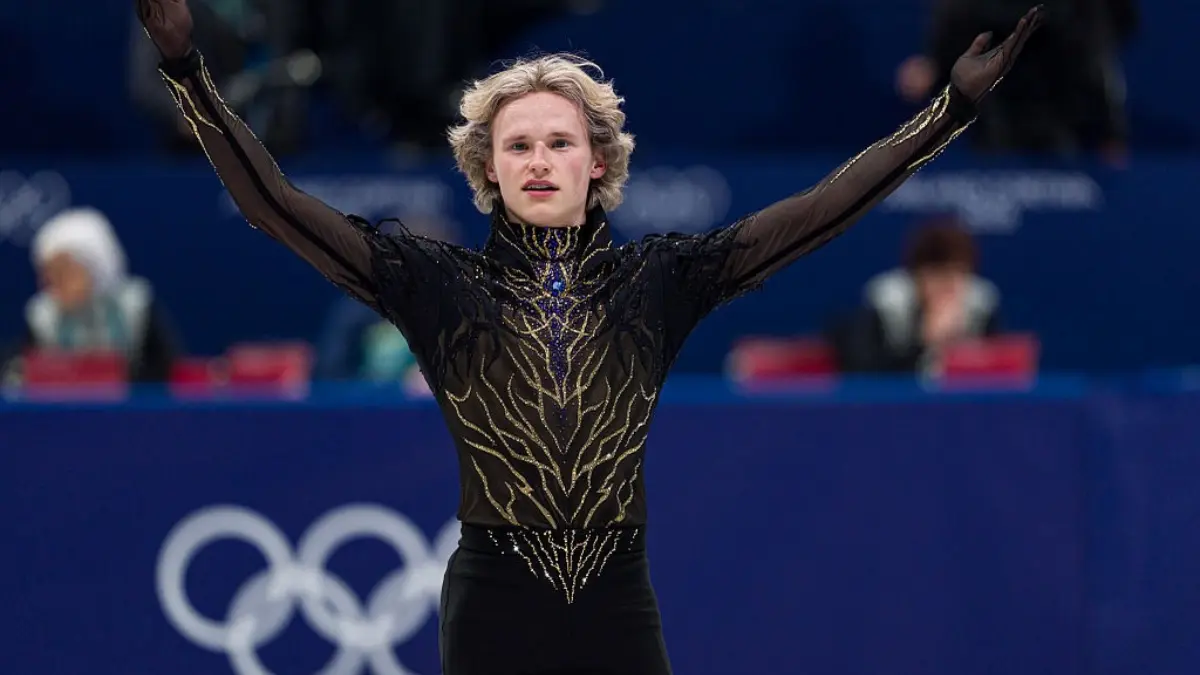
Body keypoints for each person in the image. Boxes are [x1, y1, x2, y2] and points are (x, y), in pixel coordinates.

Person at [136, 1, 1043, 672]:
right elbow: (275, 205)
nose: (538, 160)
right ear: (488, 168)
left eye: (558, 142)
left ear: (597, 159)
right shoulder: (433, 282)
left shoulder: (660, 279)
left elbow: (818, 213)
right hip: (494, 603)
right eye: (517, 145)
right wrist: (185, 69)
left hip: (616, 603)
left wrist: (948, 113)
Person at [1, 207, 179, 385]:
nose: (52, 283)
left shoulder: (135, 307)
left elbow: (166, 372)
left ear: (95, 266)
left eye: (64, 272)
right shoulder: (43, 316)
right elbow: (17, 369)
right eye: (48, 274)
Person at [829, 218, 1002, 375]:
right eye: (937, 274)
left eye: (957, 274)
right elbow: (862, 370)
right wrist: (924, 342)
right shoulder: (887, 305)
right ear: (916, 274)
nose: (948, 285)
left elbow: (998, 371)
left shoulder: (981, 306)